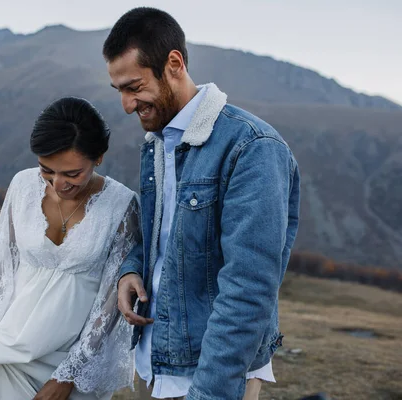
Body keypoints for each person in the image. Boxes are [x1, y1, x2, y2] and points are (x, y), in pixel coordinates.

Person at [103, 8, 300, 400]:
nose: (126, 105)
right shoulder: (158, 141)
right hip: (153, 361)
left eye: (134, 87)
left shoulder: (252, 147)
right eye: (120, 91)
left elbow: (250, 287)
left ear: (173, 63)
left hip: (210, 375)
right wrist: (129, 270)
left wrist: (211, 392)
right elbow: (162, 234)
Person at [0, 97, 140, 400]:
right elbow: (1, 269)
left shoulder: (123, 205)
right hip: (3, 345)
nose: (57, 184)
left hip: (66, 359)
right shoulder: (22, 186)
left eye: (72, 174)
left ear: (98, 157)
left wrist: (69, 374)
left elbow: (109, 304)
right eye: (47, 170)